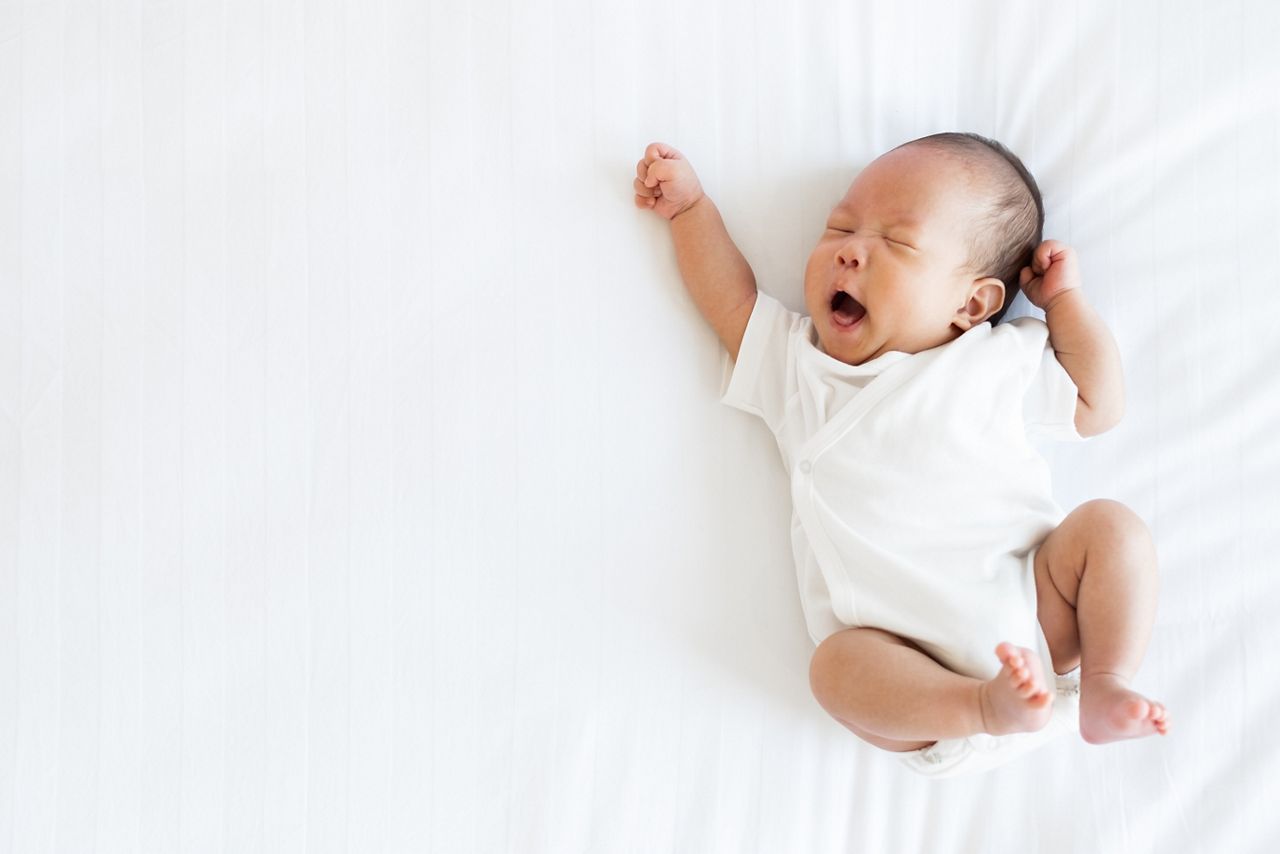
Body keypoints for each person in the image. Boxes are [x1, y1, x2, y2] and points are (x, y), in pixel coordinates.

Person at [633, 133, 1171, 777]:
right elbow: (732, 300)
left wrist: (1064, 303)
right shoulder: (803, 369)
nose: (849, 251)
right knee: (835, 668)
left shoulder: (995, 362)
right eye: (839, 228)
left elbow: (1099, 403)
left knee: (1112, 528)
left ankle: (1107, 682)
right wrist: (691, 211)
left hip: (1037, 612)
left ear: (972, 304)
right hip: (912, 669)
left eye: (897, 242)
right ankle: (984, 705)